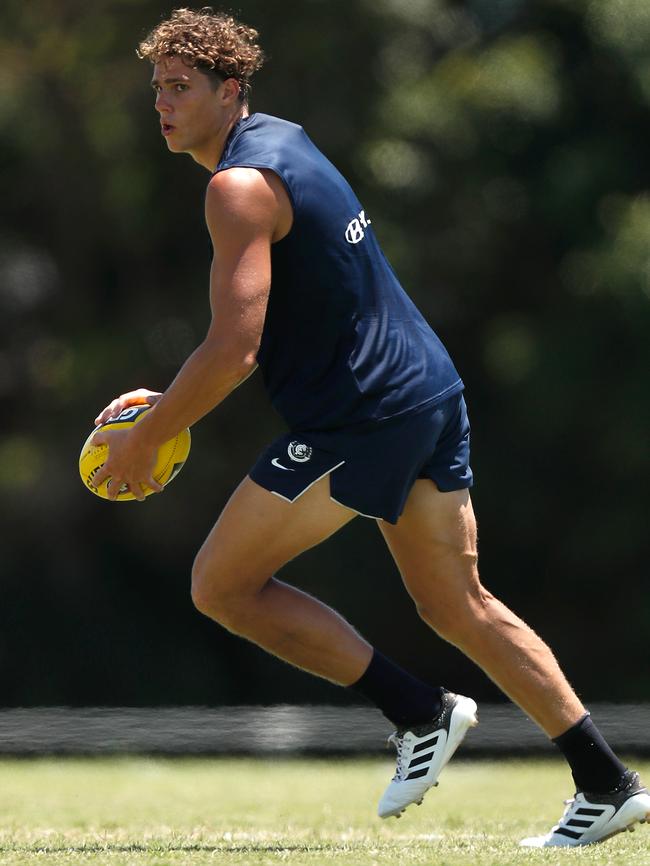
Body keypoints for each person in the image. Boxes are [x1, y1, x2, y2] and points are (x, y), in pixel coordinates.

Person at [91, 7, 649, 847]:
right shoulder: (286, 138)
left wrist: (146, 436)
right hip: (428, 391)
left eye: (181, 87)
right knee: (460, 605)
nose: (162, 103)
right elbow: (286, 312)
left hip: (364, 417)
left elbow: (234, 350)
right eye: (157, 88)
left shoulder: (235, 186)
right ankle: (607, 782)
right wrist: (166, 404)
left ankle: (419, 711)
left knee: (221, 586)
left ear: (230, 91)